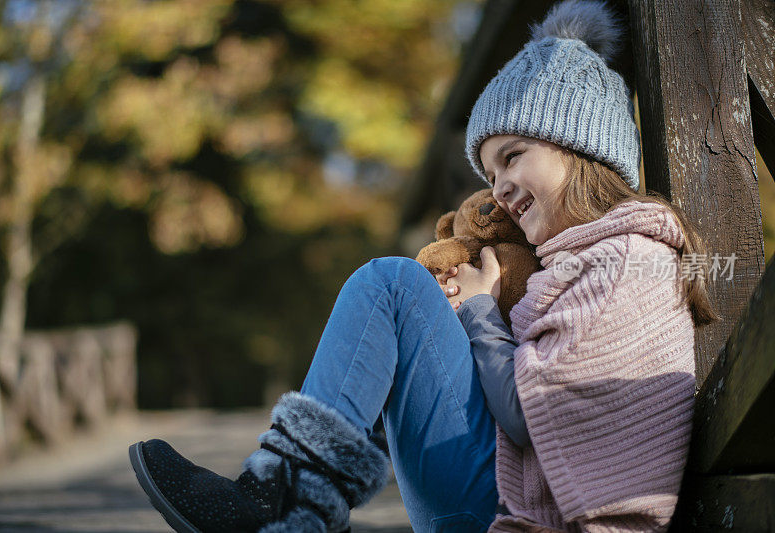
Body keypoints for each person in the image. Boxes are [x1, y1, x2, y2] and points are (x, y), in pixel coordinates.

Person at [128, 0, 719, 531]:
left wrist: (481, 312)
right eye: (490, 174)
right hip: (508, 499)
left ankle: (282, 500)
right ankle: (285, 495)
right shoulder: (579, 260)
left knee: (391, 283)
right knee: (400, 293)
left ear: (582, 146)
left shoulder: (628, 260)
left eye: (514, 157)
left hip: (530, 514)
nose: (501, 189)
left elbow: (527, 415)